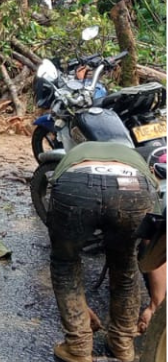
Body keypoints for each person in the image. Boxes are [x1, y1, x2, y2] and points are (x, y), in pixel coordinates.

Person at [44, 140, 159, 362]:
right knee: (125, 265)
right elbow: (154, 249)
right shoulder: (142, 168)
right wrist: (156, 305)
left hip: (75, 184)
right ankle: (122, 344)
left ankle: (78, 347)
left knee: (65, 263)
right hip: (133, 188)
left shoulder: (75, 153)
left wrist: (78, 310)